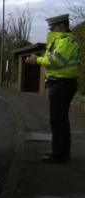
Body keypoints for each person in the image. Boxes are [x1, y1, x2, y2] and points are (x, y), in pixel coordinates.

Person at [25, 14, 80, 163]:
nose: (51, 30)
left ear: (62, 26)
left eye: (53, 27)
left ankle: (58, 155)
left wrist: (36, 60)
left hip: (62, 84)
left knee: (57, 120)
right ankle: (61, 152)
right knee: (60, 120)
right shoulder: (61, 41)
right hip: (61, 83)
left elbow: (56, 61)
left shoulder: (66, 41)